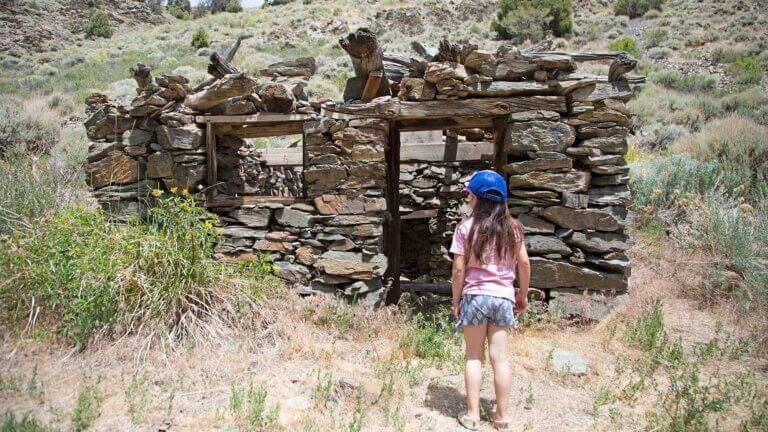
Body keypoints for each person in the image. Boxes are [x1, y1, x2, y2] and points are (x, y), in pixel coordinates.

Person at [450, 170, 531, 431]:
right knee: (501, 358)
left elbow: (458, 270)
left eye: (469, 195)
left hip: (475, 296)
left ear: (475, 198)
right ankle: (502, 417)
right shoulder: (514, 228)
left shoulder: (465, 228)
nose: (468, 199)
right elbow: (525, 263)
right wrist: (522, 294)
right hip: (502, 298)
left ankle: (473, 415)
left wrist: (456, 300)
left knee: (473, 357)